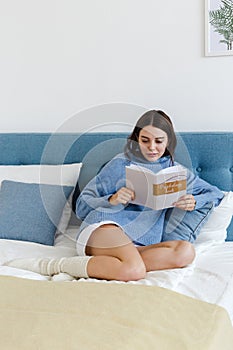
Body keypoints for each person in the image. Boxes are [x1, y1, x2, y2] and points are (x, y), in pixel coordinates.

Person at [5, 110, 224, 281]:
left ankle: (112, 264)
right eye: (145, 140)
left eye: (159, 141)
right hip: (105, 227)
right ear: (137, 138)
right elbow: (82, 205)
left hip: (140, 244)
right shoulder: (121, 163)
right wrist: (112, 200)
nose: (152, 147)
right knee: (134, 270)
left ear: (169, 142)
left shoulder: (177, 172)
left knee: (185, 252)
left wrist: (195, 201)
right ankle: (55, 265)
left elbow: (214, 194)